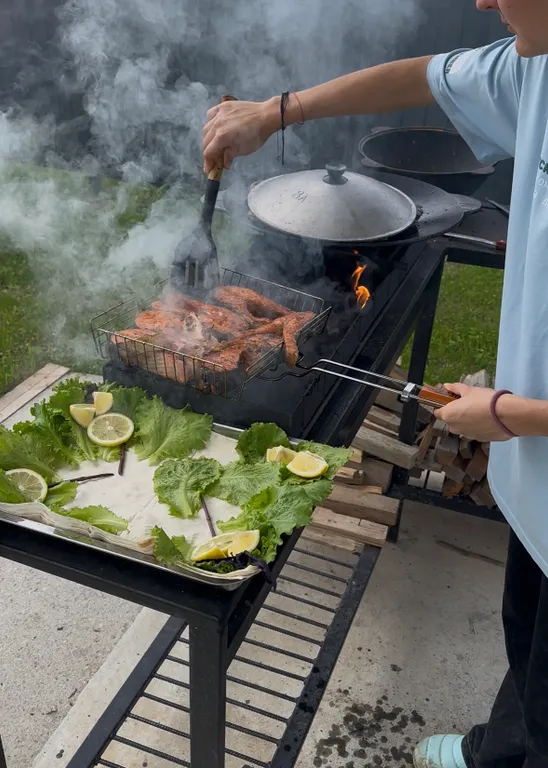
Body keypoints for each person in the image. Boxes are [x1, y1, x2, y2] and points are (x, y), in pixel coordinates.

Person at [203, 2, 548, 767]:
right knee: (526, 633)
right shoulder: (535, 63)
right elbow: (420, 76)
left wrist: (515, 413)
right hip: (538, 486)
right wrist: (276, 111)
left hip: (532, 430)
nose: (484, 3)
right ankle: (497, 751)